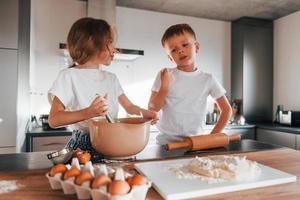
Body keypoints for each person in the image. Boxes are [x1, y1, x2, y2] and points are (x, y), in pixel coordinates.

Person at [48, 17, 158, 158]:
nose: (115, 49)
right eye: (110, 43)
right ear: (91, 41)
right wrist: (89, 112)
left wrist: (145, 113)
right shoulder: (69, 76)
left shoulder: (111, 78)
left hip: (113, 143)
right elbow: (54, 119)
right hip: (84, 149)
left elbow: (129, 107)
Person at [148, 23, 232, 145]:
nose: (180, 50)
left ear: (196, 47)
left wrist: (211, 137)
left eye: (185, 45)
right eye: (173, 50)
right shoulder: (165, 74)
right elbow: (152, 108)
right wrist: (164, 88)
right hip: (166, 144)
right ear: (170, 57)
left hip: (195, 143)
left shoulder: (208, 79)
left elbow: (226, 110)